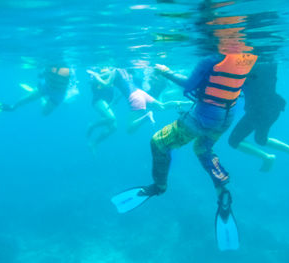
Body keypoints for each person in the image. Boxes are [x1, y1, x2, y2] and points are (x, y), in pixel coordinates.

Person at [111, 53, 258, 251]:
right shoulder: (247, 55)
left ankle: (159, 186)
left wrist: (166, 72)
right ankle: (222, 192)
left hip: (202, 117)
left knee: (159, 142)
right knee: (203, 149)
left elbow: (189, 85)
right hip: (226, 116)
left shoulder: (211, 58)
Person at [228, 60, 289, 172]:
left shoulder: (247, 68)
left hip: (258, 110)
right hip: (273, 108)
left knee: (234, 141)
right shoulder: (268, 65)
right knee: (260, 139)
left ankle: (267, 157)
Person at [114, 68, 192, 133]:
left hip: (136, 97)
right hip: (141, 93)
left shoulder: (116, 73)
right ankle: (188, 102)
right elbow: (127, 88)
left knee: (130, 129)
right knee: (162, 106)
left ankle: (147, 116)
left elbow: (109, 85)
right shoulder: (128, 76)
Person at [0, 65, 71, 116]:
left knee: (44, 113)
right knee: (24, 100)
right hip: (45, 87)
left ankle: (43, 99)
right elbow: (41, 74)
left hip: (58, 94)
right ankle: (12, 107)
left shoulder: (67, 69)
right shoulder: (51, 65)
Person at [86, 68, 118, 152]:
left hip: (107, 102)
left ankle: (94, 143)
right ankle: (92, 125)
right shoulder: (97, 73)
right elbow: (90, 81)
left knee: (113, 127)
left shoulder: (112, 74)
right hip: (98, 100)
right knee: (111, 118)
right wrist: (100, 76)